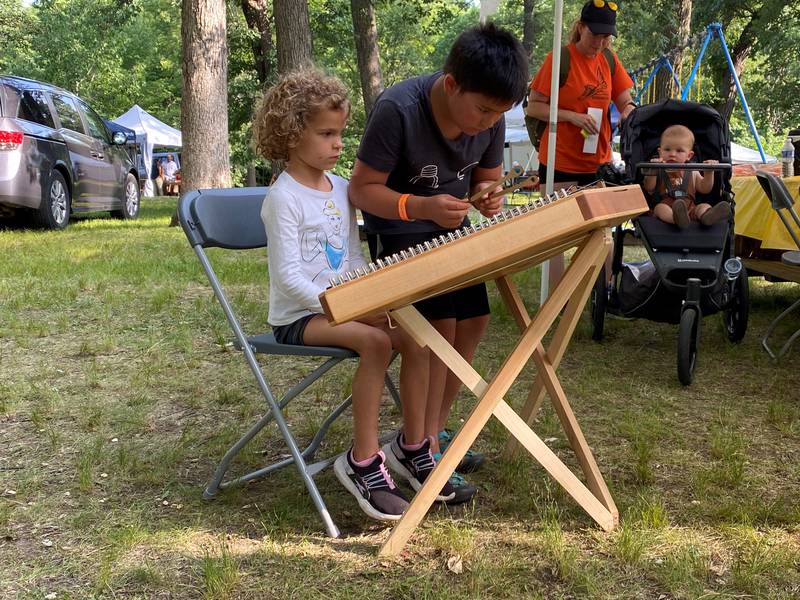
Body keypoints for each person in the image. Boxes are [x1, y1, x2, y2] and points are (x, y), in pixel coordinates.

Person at [349, 23, 529, 503]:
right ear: (451, 85)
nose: (490, 123)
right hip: (401, 234)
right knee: (439, 329)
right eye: (485, 111)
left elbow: (485, 183)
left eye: (500, 115)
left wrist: (488, 199)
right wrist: (420, 207)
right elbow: (362, 189)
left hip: (451, 236)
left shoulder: (486, 120)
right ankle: (417, 446)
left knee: (474, 320)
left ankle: (431, 434)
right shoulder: (398, 109)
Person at [253, 69, 428, 521]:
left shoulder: (342, 191)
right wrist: (348, 307)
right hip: (299, 316)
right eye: (326, 133)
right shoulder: (283, 199)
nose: (337, 144)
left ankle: (412, 446)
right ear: (292, 134)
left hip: (346, 305)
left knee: (415, 333)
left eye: (340, 133)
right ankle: (363, 461)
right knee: (374, 342)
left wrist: (367, 298)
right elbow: (290, 279)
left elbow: (351, 259)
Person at [526, 0, 636, 287]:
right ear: (581, 27)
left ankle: (604, 291)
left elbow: (625, 100)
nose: (599, 43)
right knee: (558, 231)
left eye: (605, 37)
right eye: (594, 35)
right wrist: (571, 117)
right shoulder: (559, 59)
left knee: (602, 231)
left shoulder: (610, 61)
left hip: (597, 162)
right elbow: (534, 108)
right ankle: (557, 294)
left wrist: (629, 111)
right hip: (560, 161)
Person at [643, 124, 731, 228]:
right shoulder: (658, 169)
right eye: (667, 149)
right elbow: (649, 187)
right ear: (660, 151)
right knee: (659, 208)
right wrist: (653, 169)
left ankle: (707, 216)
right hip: (667, 207)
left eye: (679, 151)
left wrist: (709, 172)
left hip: (690, 209)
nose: (672, 154)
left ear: (689, 155)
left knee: (703, 206)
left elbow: (705, 188)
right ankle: (675, 218)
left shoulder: (692, 171)